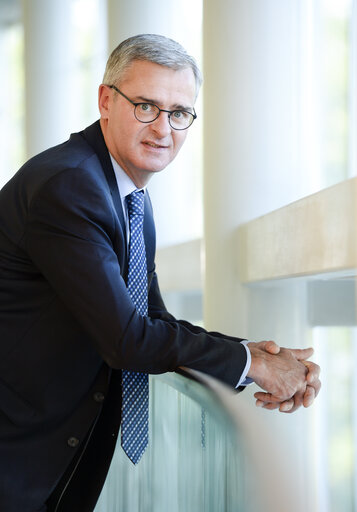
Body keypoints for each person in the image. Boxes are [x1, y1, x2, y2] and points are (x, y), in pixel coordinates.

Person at [0, 34, 320, 512]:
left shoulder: (128, 197)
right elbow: (126, 338)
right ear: (107, 101)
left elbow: (152, 319)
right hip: (14, 456)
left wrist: (252, 357)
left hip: (43, 462)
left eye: (179, 113)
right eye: (145, 106)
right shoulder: (69, 188)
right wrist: (255, 365)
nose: (162, 129)